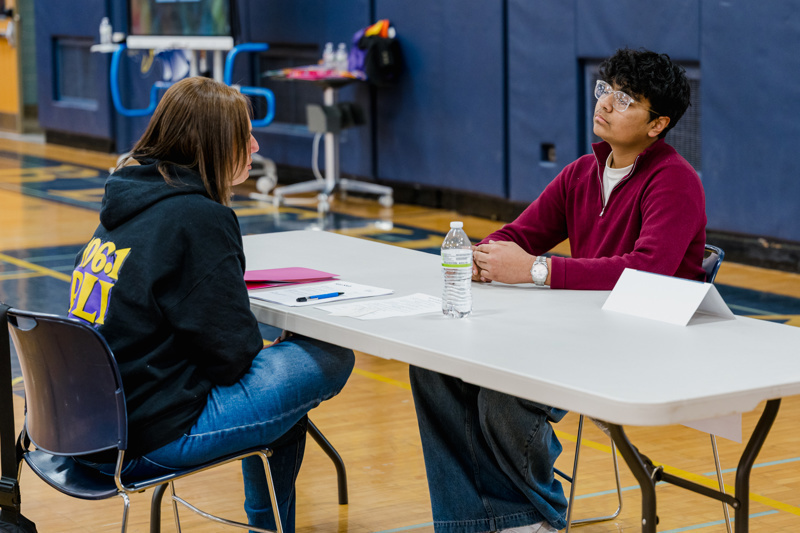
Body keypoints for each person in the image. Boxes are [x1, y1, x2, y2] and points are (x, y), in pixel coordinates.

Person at [410, 48, 706, 533]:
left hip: (644, 344)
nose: (606, 103)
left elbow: (645, 270)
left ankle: (536, 518)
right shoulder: (579, 174)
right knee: (435, 364)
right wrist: (489, 258)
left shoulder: (676, 182)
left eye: (626, 99)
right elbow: (517, 237)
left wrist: (537, 271)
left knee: (507, 386)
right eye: (605, 89)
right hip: (574, 330)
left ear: (658, 125)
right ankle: (472, 524)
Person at [66, 76, 355, 532]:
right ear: (213, 144)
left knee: (285, 390)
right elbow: (232, 360)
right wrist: (273, 351)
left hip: (82, 430)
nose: (256, 146)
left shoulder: (126, 203)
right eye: (246, 136)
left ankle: (272, 525)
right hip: (147, 439)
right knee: (329, 356)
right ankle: (267, 525)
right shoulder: (198, 217)